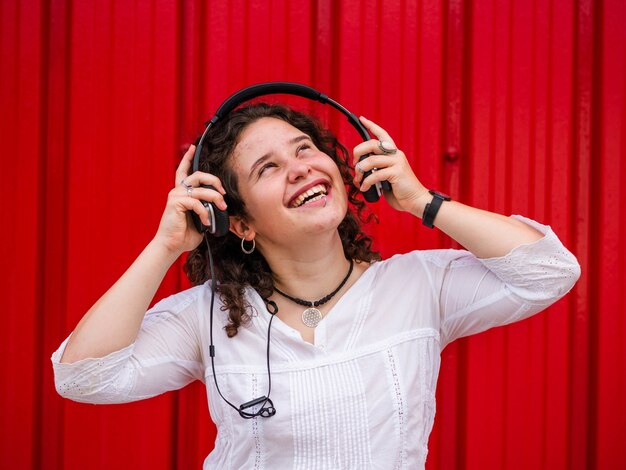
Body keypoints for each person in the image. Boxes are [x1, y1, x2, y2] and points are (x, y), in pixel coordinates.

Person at [52, 103, 580, 469]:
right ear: (238, 223)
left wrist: (423, 201)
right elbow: (83, 378)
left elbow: (551, 271)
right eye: (269, 167)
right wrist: (166, 245)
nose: (301, 169)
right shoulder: (211, 316)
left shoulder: (418, 285)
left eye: (305, 148)